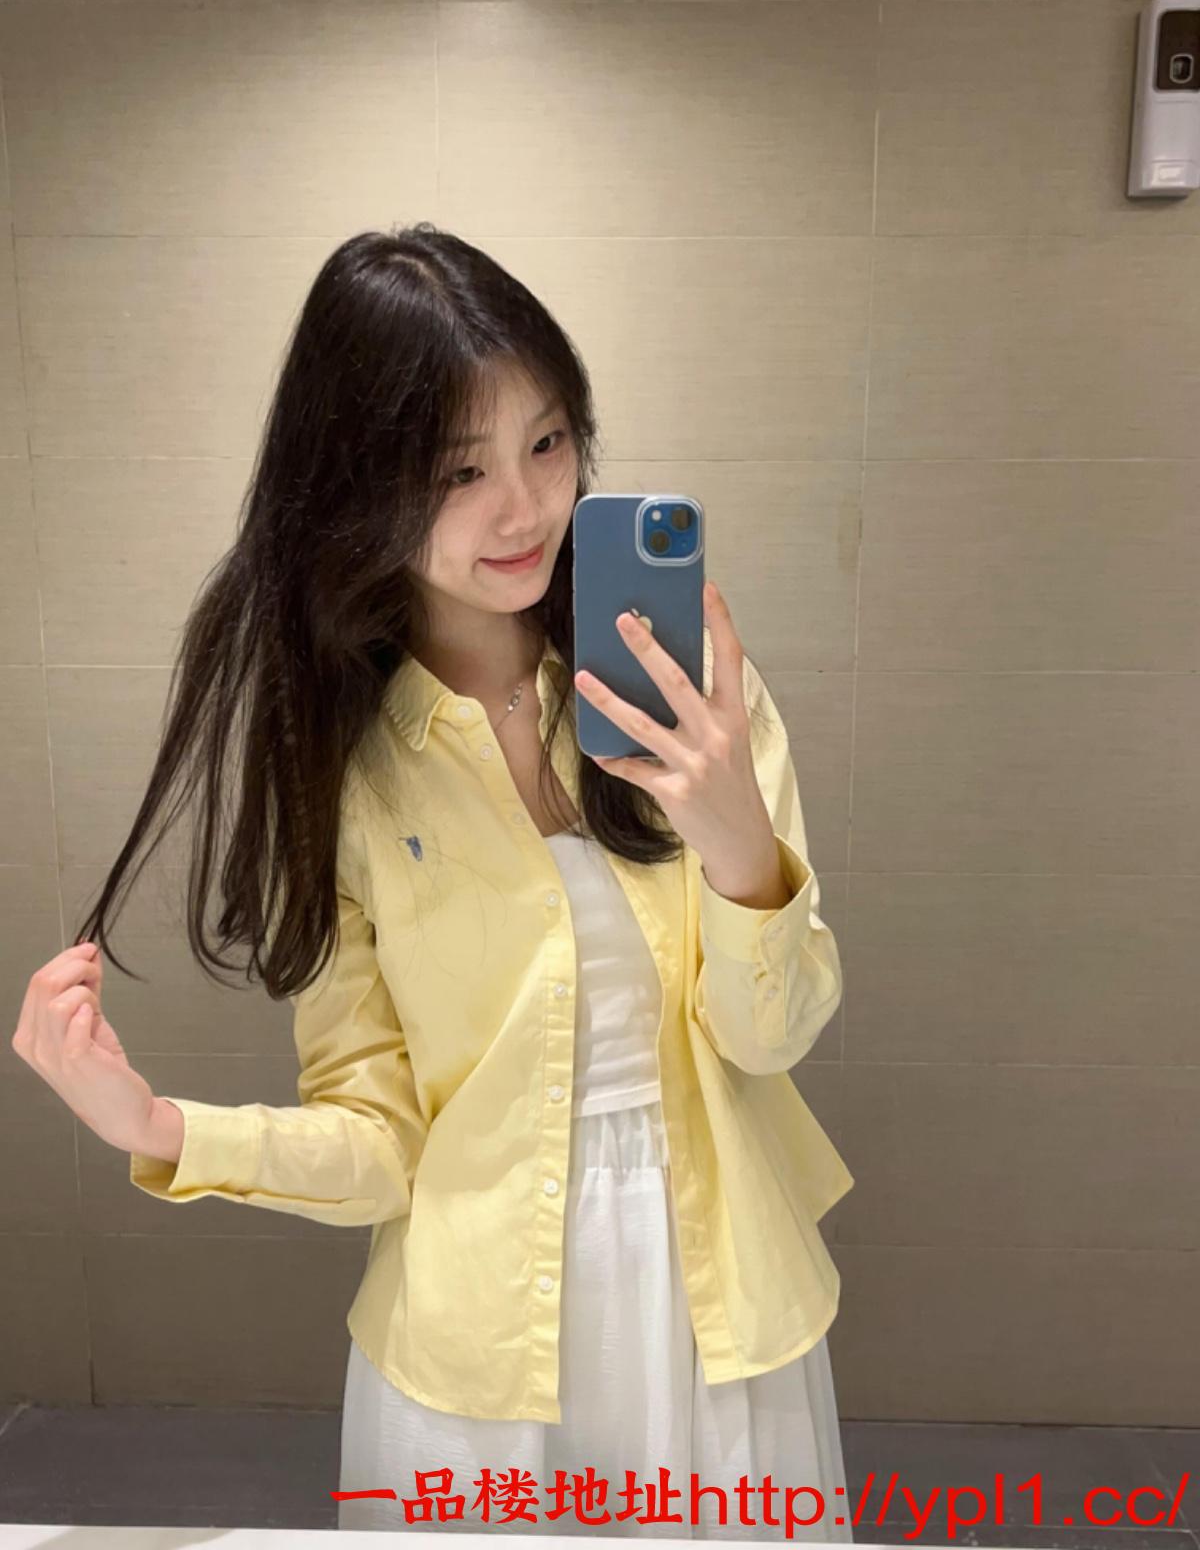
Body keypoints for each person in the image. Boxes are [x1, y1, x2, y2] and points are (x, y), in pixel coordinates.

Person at [12, 222, 855, 1539]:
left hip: (717, 1317)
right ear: (354, 485)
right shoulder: (346, 773)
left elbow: (773, 1035)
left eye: (548, 441)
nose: (524, 508)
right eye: (458, 469)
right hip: (472, 1349)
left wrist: (740, 844)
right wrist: (162, 1130)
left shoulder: (697, 700)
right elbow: (385, 1137)